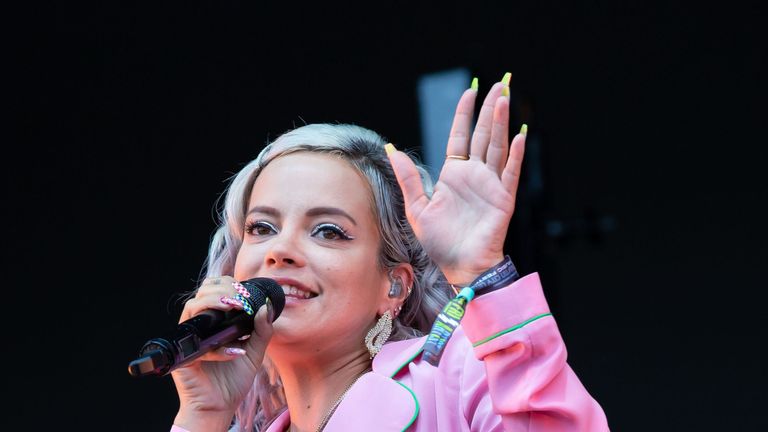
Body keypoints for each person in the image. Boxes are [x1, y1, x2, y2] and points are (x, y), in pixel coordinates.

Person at [168, 73, 609, 431]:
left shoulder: (458, 381)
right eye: (262, 227)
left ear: (393, 286)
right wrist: (203, 417)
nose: (281, 250)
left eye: (327, 231)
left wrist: (481, 274)